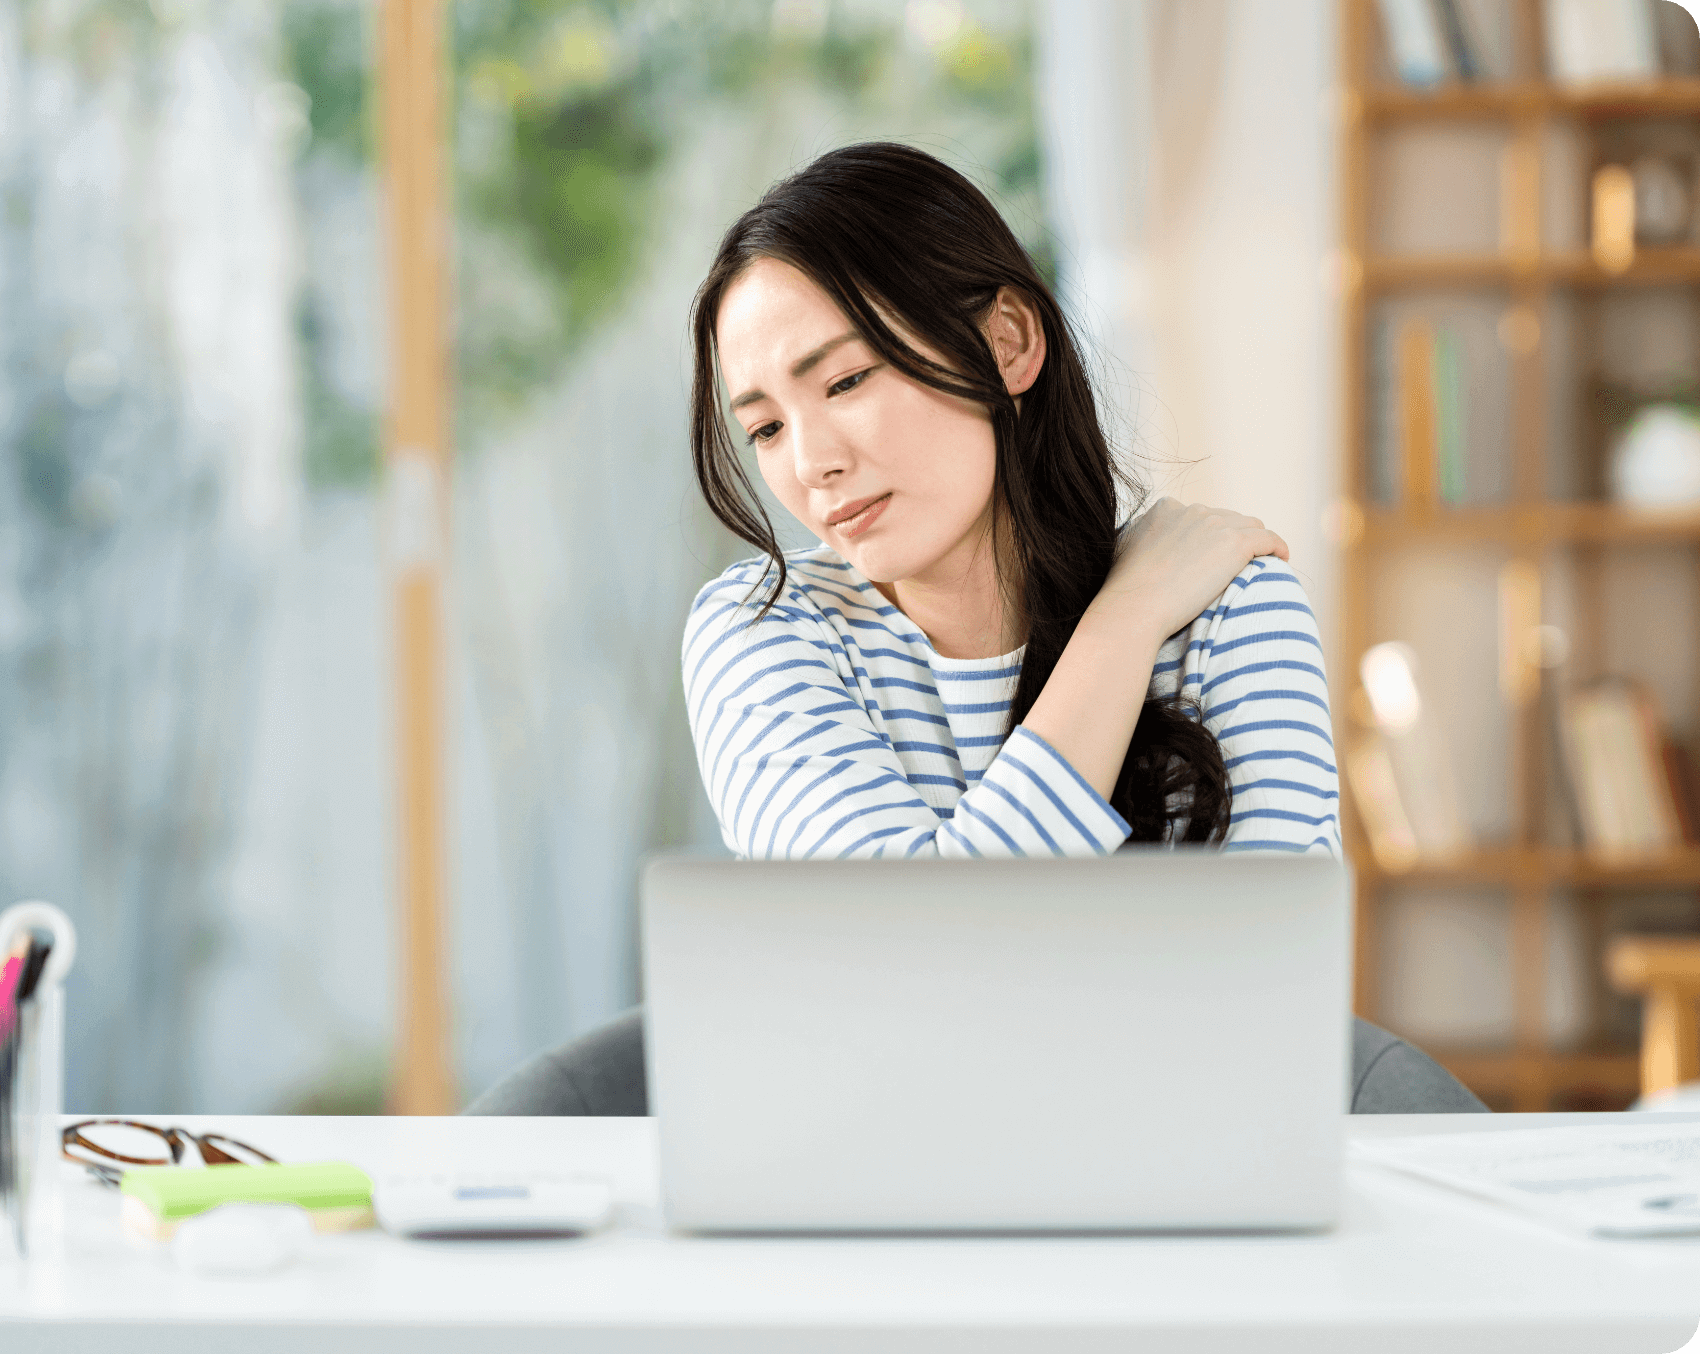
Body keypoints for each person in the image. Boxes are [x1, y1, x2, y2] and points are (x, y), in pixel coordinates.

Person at [467, 142, 1484, 1117]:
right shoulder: (763, 634)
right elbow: (912, 981)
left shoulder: (1229, 607)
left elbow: (1270, 1012)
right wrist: (1123, 625)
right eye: (765, 426)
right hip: (869, 1178)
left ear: (1007, 343)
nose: (810, 463)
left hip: (1186, 1184)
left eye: (845, 381)